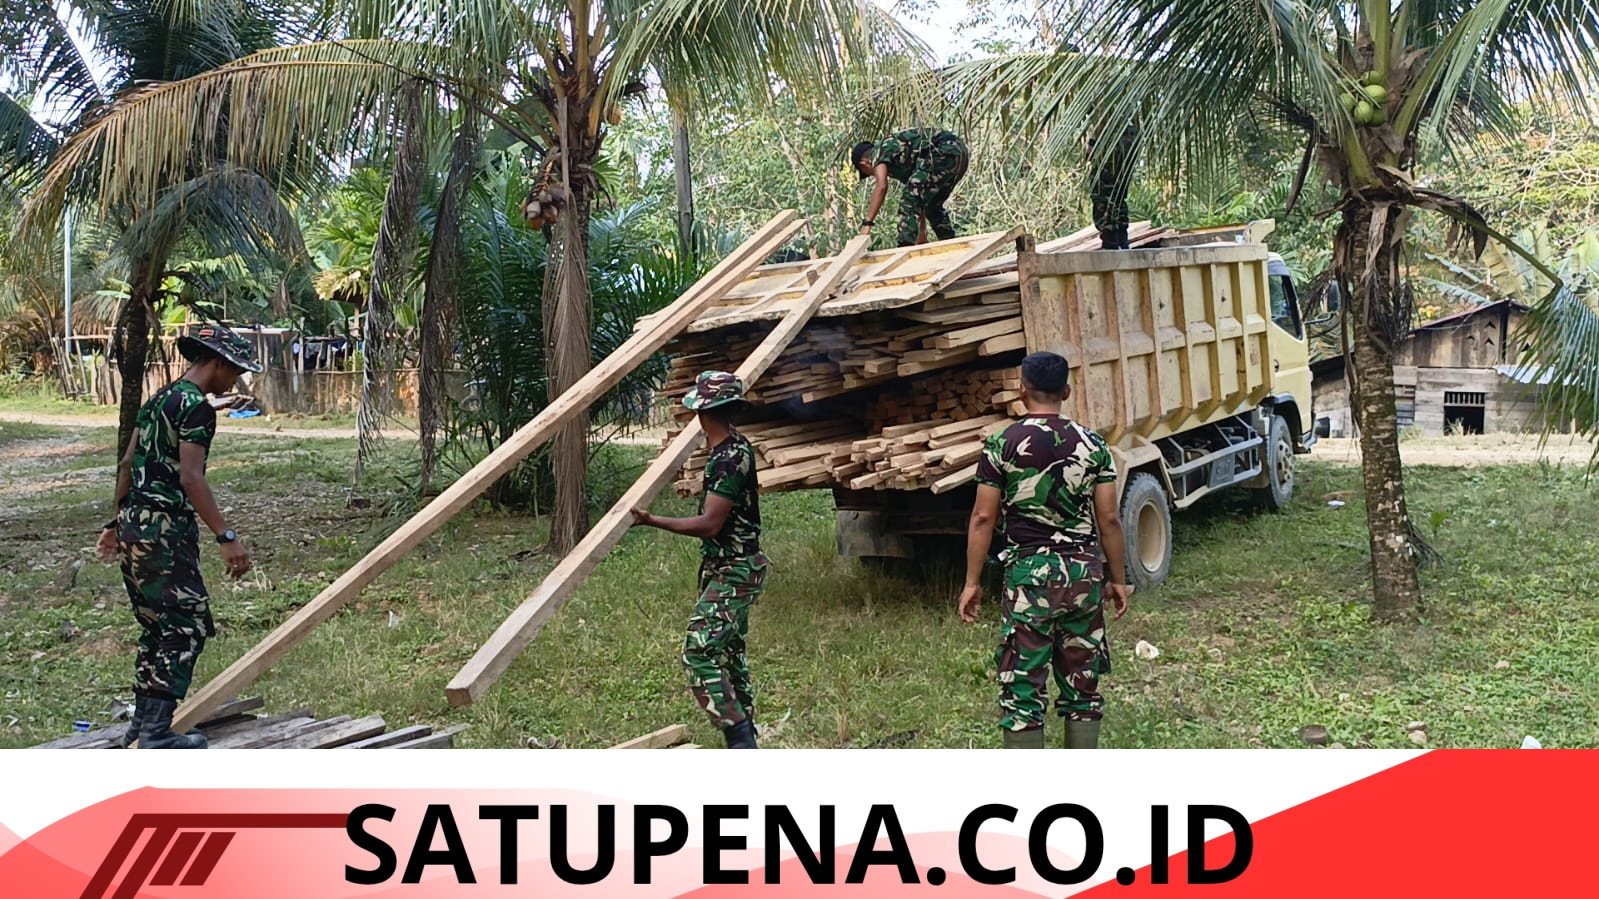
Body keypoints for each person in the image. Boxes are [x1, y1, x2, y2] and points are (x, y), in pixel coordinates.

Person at [95, 323, 261, 749]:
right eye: (235, 370)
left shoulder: (158, 401)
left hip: (134, 524)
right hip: (165, 531)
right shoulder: (196, 409)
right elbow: (191, 478)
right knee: (186, 624)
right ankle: (155, 734)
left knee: (156, 625)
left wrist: (115, 524)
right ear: (218, 362)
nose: (236, 379)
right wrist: (226, 535)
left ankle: (141, 726)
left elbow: (128, 463)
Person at [957, 351, 1133, 749]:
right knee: (1082, 685)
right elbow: (1109, 519)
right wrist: (1118, 579)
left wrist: (971, 582)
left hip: (1029, 580)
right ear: (1066, 391)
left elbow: (983, 517)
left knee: (1022, 691)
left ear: (1022, 390)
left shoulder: (1002, 444)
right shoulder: (1094, 445)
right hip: (1083, 577)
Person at [631, 371, 768, 749]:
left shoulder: (729, 458)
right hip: (728, 566)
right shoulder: (731, 447)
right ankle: (747, 742)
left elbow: (710, 524)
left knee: (699, 650)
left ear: (703, 412)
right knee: (729, 652)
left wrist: (653, 520)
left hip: (736, 570)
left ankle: (739, 736)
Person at [853, 127, 970, 247]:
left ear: (864, 164)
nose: (874, 174)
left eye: (868, 173)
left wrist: (867, 223)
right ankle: (950, 243)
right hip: (959, 153)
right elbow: (919, 197)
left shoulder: (877, 152)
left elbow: (882, 186)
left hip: (943, 150)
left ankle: (905, 245)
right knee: (932, 205)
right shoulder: (899, 160)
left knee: (908, 199)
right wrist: (922, 234)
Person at [1087, 123, 1139, 250]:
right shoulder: (1131, 133)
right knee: (1118, 199)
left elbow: (1090, 154)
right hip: (1122, 161)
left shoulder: (1108, 126)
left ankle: (1112, 240)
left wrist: (1093, 142)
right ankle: (1120, 240)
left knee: (1105, 201)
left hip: (1107, 166)